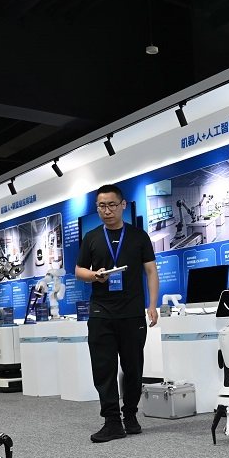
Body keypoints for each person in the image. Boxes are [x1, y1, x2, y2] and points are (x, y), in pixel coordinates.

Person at [76, 184, 160, 443]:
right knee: (103, 368)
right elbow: (79, 271)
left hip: (132, 312)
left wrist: (152, 305)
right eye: (101, 206)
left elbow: (151, 271)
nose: (107, 210)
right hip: (101, 312)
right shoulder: (91, 237)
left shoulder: (138, 236)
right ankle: (112, 421)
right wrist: (94, 275)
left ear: (123, 205)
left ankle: (130, 415)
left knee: (133, 367)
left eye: (112, 205)